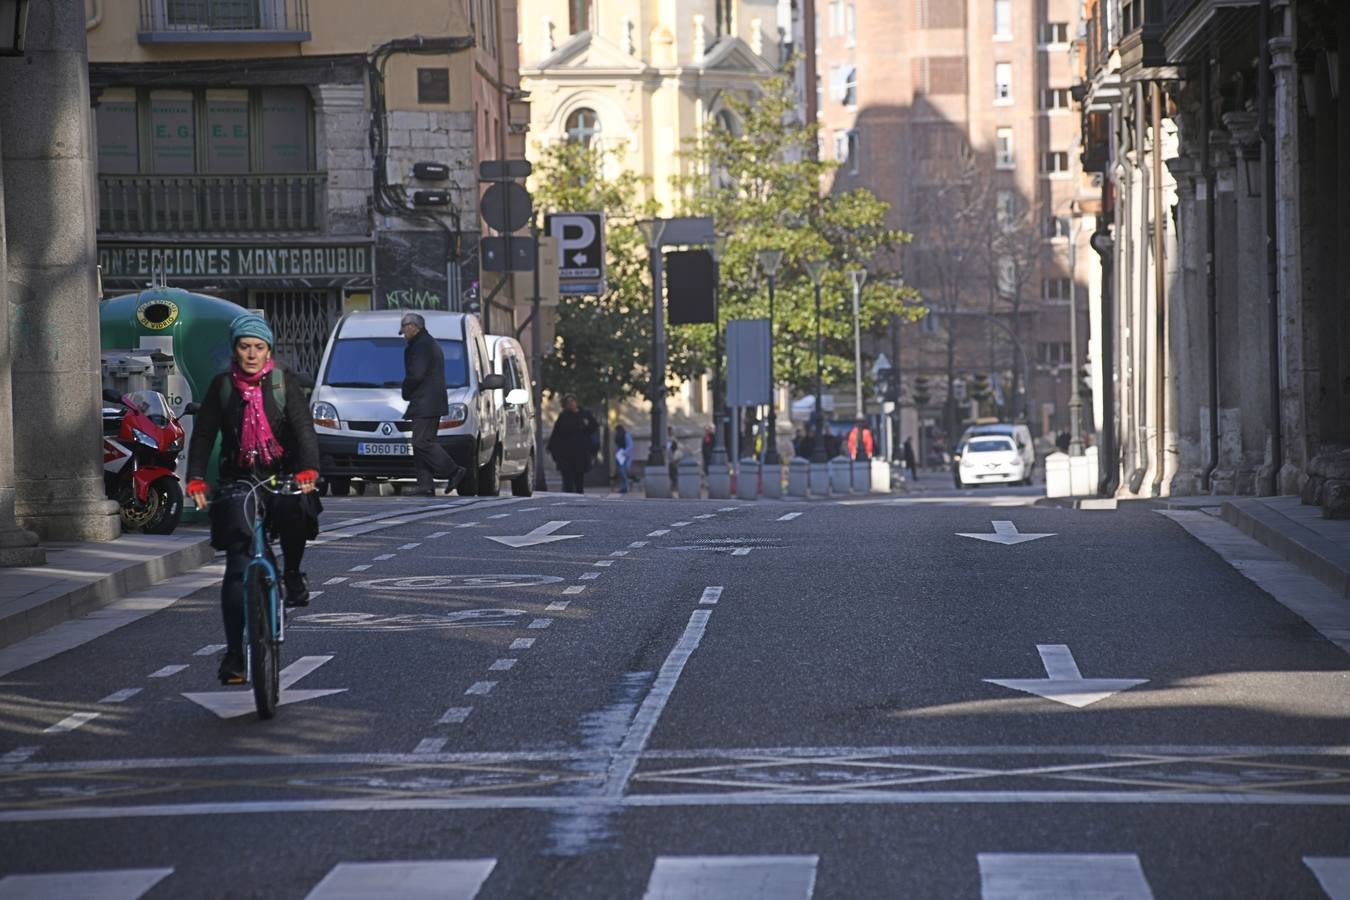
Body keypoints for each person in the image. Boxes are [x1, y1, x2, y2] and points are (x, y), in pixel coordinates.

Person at [186, 314, 322, 685]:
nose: (251, 354)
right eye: (244, 347)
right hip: (239, 479)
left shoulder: (282, 383)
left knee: (295, 510)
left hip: (283, 473)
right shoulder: (222, 387)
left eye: (258, 348)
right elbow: (203, 435)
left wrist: (308, 469)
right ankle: (233, 655)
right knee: (236, 565)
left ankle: (292, 574)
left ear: (268, 351)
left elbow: (304, 429)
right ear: (235, 350)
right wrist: (196, 477)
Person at [400, 312, 467, 497]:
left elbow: (416, 374)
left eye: (405, 330)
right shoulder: (427, 343)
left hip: (425, 402)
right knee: (423, 442)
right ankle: (425, 485)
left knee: (421, 442)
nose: (404, 334)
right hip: (429, 401)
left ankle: (453, 471)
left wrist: (406, 389)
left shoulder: (421, 346)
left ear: (412, 327)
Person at [547, 394, 597, 493]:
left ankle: (579, 494)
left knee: (579, 478)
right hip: (566, 453)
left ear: (576, 402)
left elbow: (593, 427)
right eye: (568, 402)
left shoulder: (585, 414)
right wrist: (552, 448)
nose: (571, 404)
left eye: (572, 401)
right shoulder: (564, 416)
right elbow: (557, 433)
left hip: (580, 452)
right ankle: (569, 496)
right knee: (568, 480)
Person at [614, 424, 633, 493]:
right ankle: (623, 487)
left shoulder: (626, 435)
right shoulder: (617, 437)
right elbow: (616, 446)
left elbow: (630, 445)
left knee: (622, 471)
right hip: (619, 456)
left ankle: (626, 486)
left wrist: (625, 452)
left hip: (625, 456)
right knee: (620, 472)